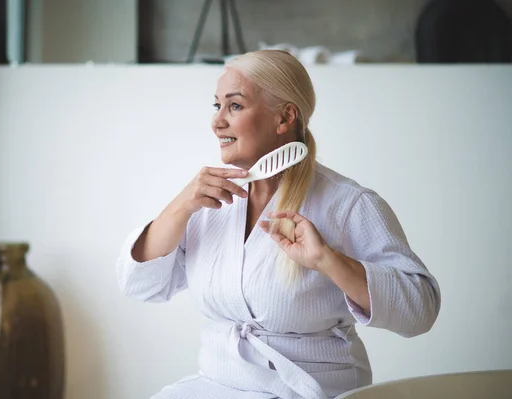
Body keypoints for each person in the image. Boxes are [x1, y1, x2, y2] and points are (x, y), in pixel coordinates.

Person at [116, 50, 441, 399]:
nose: (217, 122)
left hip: (308, 390)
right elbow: (139, 285)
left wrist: (326, 261)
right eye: (217, 106)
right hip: (220, 385)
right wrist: (180, 207)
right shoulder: (207, 203)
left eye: (235, 106)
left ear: (284, 117)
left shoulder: (348, 204)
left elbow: (419, 311)